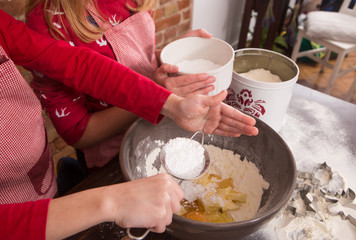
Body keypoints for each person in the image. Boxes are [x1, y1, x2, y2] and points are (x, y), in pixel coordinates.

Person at [0, 10, 258, 240]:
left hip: (38, 182)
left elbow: (81, 65)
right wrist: (110, 203)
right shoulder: (50, 23)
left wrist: (169, 102)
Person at [26, 0, 217, 170]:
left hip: (157, 128)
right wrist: (156, 98)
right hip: (112, 156)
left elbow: (137, 57)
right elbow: (77, 132)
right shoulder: (48, 24)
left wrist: (173, 56)